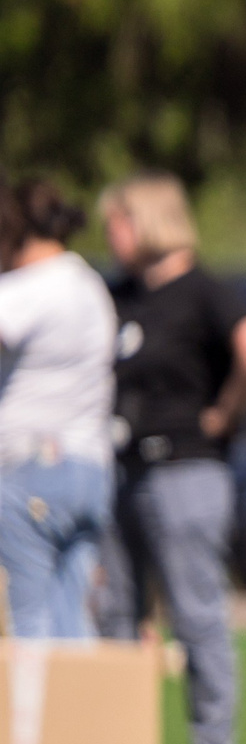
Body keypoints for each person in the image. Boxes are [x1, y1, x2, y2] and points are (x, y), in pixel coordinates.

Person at [96, 171, 246, 744]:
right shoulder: (120, 293)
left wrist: (224, 415)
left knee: (195, 613)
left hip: (186, 470)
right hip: (122, 473)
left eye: (118, 221)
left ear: (150, 220)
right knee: (115, 614)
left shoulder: (205, 291)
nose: (110, 234)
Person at [0, 176, 117, 638]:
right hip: (90, 471)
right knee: (73, 622)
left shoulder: (30, 288)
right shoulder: (90, 287)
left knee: (31, 623)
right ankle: (83, 713)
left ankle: (37, 714)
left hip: (34, 472)